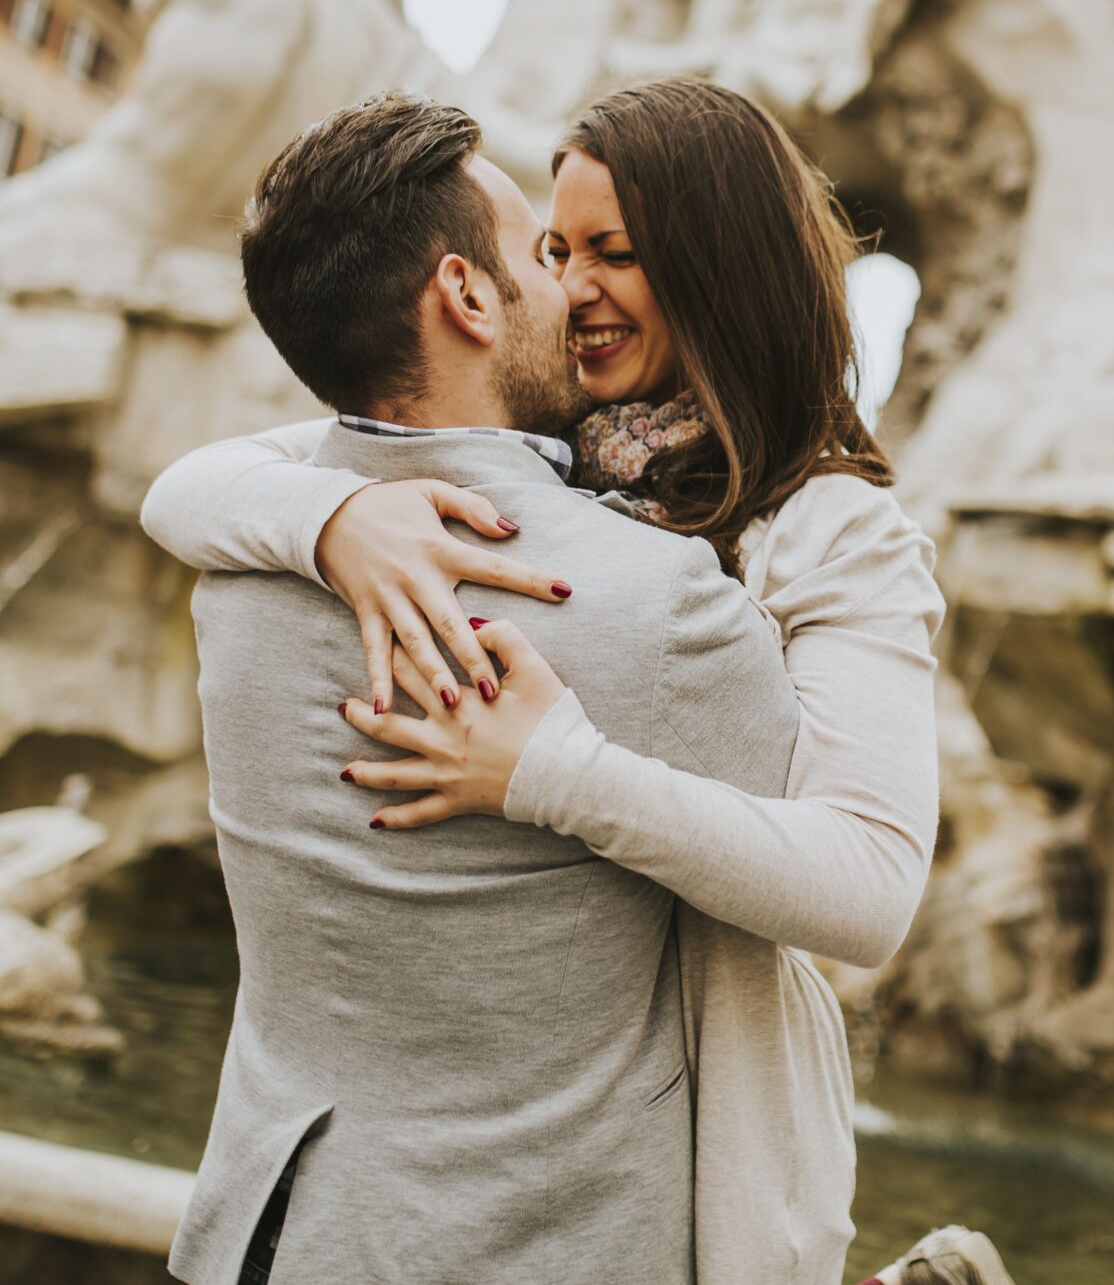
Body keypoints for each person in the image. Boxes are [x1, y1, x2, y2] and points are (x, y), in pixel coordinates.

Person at [143, 77, 991, 1285]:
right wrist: (335, 517)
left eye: (616, 252)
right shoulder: (560, 531)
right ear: (470, 294)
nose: (574, 285)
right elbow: (193, 484)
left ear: (719, 267)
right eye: (551, 248)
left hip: (326, 1216)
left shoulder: (830, 532)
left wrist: (558, 773)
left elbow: (864, 886)